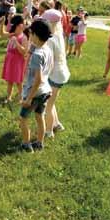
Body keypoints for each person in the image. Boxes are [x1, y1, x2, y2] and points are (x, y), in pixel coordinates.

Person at [20, 19, 53, 152]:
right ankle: (39, 143)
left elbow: (37, 80)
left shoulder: (37, 56)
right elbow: (31, 50)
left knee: (23, 119)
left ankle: (26, 144)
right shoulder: (47, 49)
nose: (29, 35)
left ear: (35, 35)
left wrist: (28, 99)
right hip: (46, 91)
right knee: (40, 117)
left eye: (31, 33)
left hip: (35, 92)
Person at [42, 9, 70, 138]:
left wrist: (42, 74)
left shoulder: (50, 39)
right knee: (52, 101)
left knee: (48, 104)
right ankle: (57, 124)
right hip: (62, 73)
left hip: (55, 75)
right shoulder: (59, 35)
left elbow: (50, 62)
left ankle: (49, 131)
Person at [0, 15, 29, 104]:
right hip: (10, 60)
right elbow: (2, 34)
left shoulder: (23, 37)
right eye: (24, 23)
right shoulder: (13, 34)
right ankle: (9, 97)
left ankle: (21, 97)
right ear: (19, 25)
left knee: (18, 81)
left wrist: (16, 43)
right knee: (10, 80)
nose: (24, 25)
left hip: (18, 61)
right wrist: (1, 23)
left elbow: (24, 52)